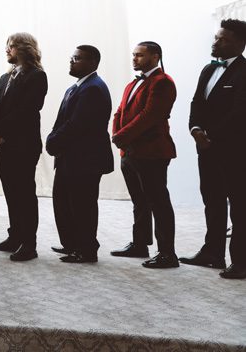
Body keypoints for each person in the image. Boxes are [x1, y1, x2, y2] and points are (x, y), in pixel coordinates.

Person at [182, 19, 246, 279]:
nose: (216, 42)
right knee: (212, 200)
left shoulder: (244, 71)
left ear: (240, 44)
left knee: (239, 206)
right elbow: (196, 102)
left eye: (223, 39)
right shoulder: (208, 69)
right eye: (216, 37)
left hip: (234, 150)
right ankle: (213, 252)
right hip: (206, 148)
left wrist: (211, 136)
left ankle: (240, 262)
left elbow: (240, 112)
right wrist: (195, 129)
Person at [110, 41, 179, 269]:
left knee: (158, 202)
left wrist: (122, 136)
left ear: (155, 57)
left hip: (152, 151)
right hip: (129, 151)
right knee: (139, 201)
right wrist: (117, 136)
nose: (134, 58)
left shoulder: (163, 82)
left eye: (140, 55)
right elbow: (119, 112)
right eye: (133, 55)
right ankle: (140, 244)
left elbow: (150, 116)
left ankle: (167, 253)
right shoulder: (133, 83)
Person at [45, 45, 113, 263]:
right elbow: (62, 120)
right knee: (64, 202)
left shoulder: (93, 88)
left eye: (77, 58)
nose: (71, 61)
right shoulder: (75, 87)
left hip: (85, 159)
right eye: (72, 58)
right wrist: (53, 138)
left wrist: (54, 141)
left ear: (92, 62)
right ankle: (72, 243)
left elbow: (78, 124)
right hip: (69, 156)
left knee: (82, 205)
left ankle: (86, 249)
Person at [0, 32, 48, 262]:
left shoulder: (37, 76)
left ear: (25, 48)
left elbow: (27, 111)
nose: (7, 50)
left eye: (11, 46)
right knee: (11, 193)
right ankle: (15, 237)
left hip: (23, 145)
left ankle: (29, 244)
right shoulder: (6, 77)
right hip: (3, 144)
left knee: (24, 194)